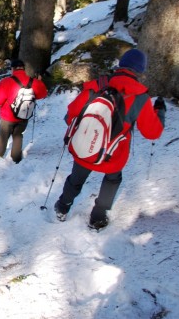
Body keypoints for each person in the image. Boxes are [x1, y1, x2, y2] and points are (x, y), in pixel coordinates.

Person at [54, 48, 166, 230]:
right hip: (113, 154)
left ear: (120, 66)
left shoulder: (97, 85)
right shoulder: (140, 97)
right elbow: (152, 133)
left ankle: (62, 207)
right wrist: (159, 112)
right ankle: (97, 217)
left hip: (85, 148)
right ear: (140, 71)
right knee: (112, 180)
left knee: (76, 178)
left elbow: (70, 115)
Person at [0, 59, 48, 163]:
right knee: (18, 135)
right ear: (23, 69)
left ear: (12, 69)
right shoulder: (33, 81)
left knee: (3, 135)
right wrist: (39, 81)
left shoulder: (6, 82)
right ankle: (16, 157)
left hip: (8, 116)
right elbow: (42, 94)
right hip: (23, 115)